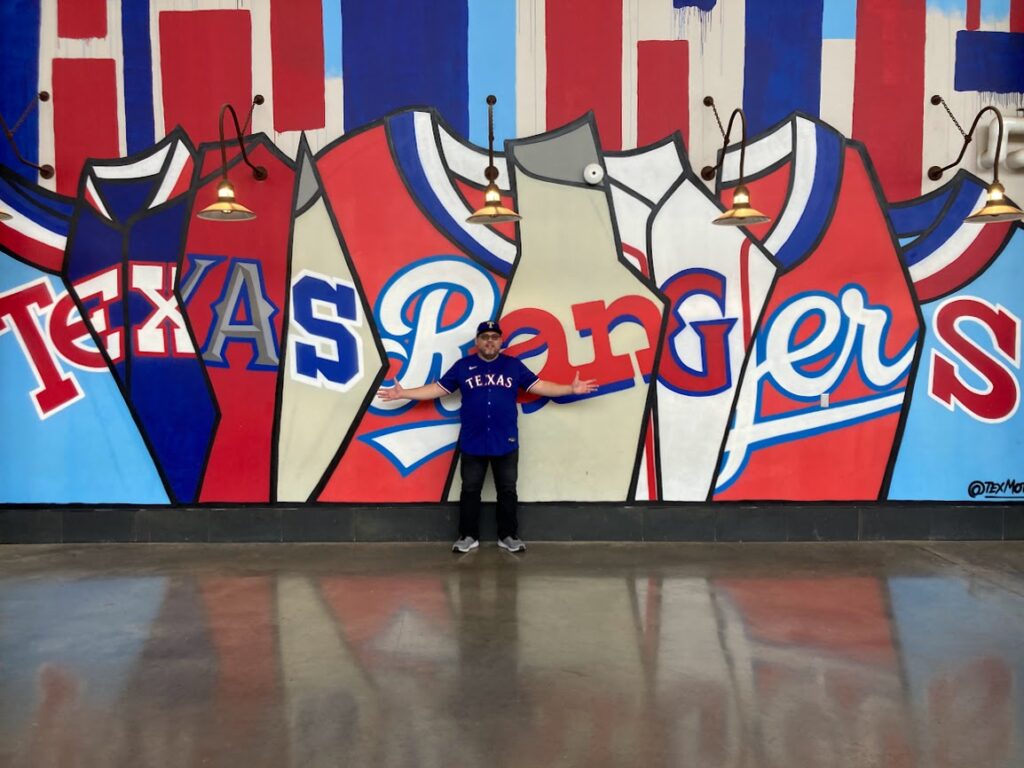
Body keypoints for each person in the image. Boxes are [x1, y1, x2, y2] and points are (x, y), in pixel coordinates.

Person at [377, 320, 598, 553]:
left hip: (506, 440)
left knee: (507, 489)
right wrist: (404, 393)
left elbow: (540, 386)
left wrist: (569, 389)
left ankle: (508, 535)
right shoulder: (463, 366)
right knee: (470, 489)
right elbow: (437, 389)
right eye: (485, 337)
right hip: (473, 440)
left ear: (501, 341)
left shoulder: (513, 366)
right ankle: (468, 536)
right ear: (477, 342)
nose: (489, 341)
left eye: (494, 337)